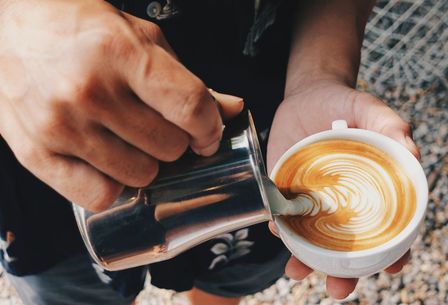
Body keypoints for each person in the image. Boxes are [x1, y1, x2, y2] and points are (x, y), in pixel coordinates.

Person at [0, 0, 419, 304]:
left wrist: (318, 75)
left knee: (230, 277)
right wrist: (11, 25)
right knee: (75, 291)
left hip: (265, 139)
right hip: (46, 124)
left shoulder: (286, 152)